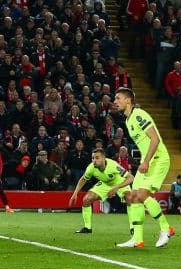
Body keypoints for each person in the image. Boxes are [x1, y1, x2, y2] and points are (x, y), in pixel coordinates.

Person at [113, 87, 174, 248]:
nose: (115, 101)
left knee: (141, 195)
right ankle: (137, 239)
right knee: (132, 197)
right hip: (147, 161)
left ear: (128, 100)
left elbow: (155, 140)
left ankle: (166, 229)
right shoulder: (128, 120)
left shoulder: (139, 115)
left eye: (118, 98)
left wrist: (146, 161)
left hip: (158, 159)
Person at [68, 148, 134, 234]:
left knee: (129, 198)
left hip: (119, 182)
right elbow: (83, 179)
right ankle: (87, 228)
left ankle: (133, 228)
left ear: (103, 158)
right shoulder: (91, 167)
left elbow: (131, 178)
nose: (94, 161)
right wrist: (75, 194)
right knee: (86, 199)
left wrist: (117, 187)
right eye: (93, 158)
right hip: (105, 184)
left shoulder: (113, 165)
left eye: (97, 158)